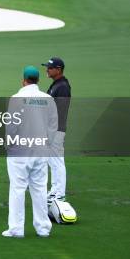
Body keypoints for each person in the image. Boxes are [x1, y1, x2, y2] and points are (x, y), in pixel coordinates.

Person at [2, 66, 58, 238]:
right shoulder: (48, 99)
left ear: (23, 80)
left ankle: (16, 229)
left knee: (17, 189)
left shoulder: (17, 98)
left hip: (20, 151)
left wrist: (8, 143)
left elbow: (12, 125)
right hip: (40, 150)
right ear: (37, 80)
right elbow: (53, 125)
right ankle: (43, 229)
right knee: (40, 188)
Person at [42, 57, 71, 202]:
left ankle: (59, 193)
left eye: (50, 67)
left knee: (57, 160)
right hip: (52, 129)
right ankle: (55, 191)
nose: (47, 69)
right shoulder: (56, 85)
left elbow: (60, 110)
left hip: (56, 130)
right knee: (52, 161)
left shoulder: (63, 87)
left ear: (58, 70)